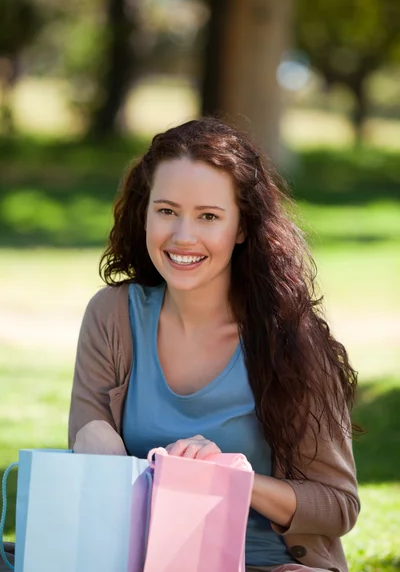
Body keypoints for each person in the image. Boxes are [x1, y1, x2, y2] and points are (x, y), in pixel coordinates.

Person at [68, 118, 360, 572]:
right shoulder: (111, 316)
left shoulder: (290, 338)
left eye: (208, 216)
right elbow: (86, 440)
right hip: (133, 561)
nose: (184, 236)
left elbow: (338, 506)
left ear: (242, 228)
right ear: (144, 213)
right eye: (166, 211)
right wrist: (96, 440)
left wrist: (235, 479)